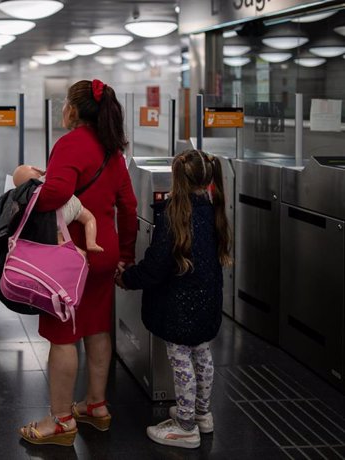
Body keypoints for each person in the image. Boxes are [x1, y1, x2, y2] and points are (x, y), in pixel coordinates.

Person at [18, 79, 137, 447]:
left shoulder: (69, 144)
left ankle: (60, 420)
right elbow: (129, 206)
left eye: (66, 103)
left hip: (70, 258)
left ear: (73, 109)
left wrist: (28, 189)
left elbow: (55, 194)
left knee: (63, 335)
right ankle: (95, 406)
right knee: (98, 326)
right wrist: (126, 257)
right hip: (105, 253)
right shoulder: (112, 150)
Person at [115, 149, 232, 449]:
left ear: (176, 180)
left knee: (181, 363)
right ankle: (202, 415)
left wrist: (126, 278)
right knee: (203, 357)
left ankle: (185, 426)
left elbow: (156, 266)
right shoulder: (213, 210)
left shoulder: (173, 216)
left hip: (178, 307)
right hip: (208, 304)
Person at [12, 164, 104, 253]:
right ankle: (91, 242)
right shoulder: (46, 177)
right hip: (70, 203)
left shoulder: (27, 194)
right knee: (89, 219)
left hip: (51, 218)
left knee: (58, 240)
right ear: (36, 170)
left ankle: (77, 252)